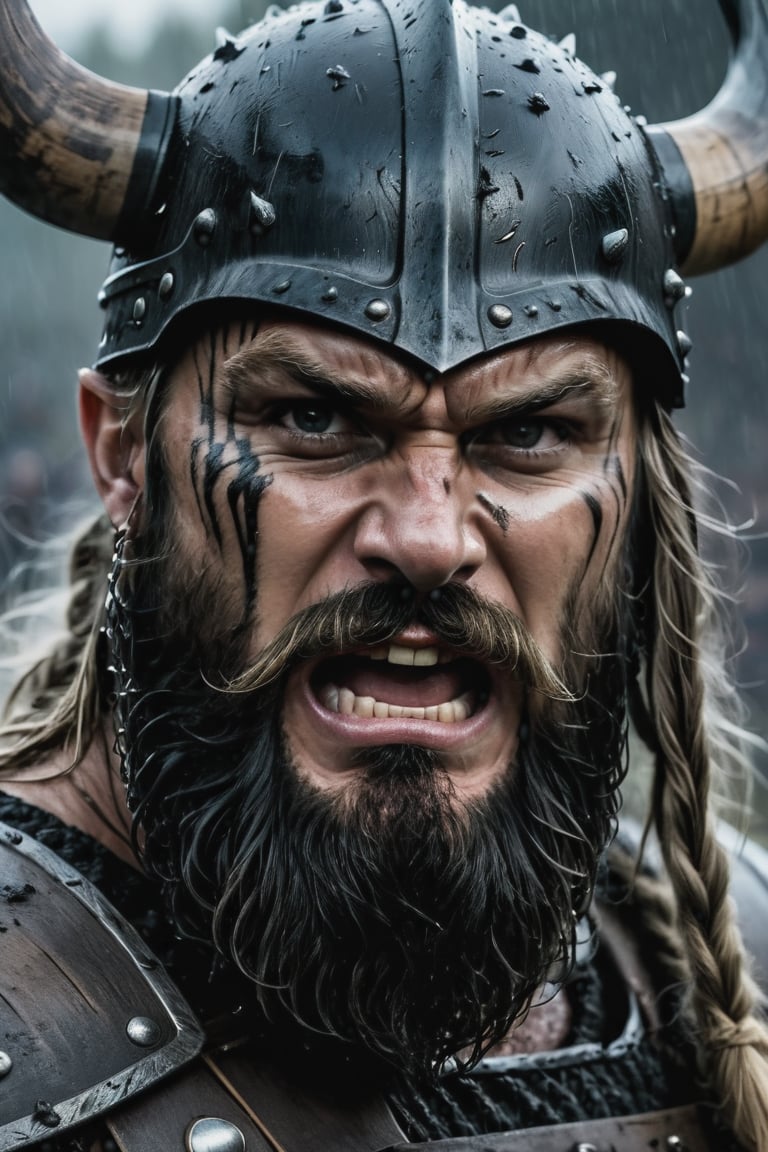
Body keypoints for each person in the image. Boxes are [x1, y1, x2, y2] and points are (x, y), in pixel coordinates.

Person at [0, 0, 767, 1149]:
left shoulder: (734, 971)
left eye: (531, 434)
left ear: (643, 491)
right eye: (314, 416)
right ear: (120, 453)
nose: (427, 535)